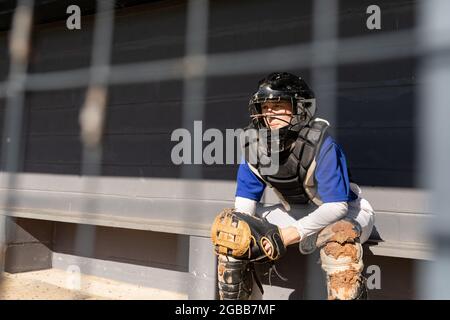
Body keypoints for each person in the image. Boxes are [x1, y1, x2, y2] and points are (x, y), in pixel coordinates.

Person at [215, 72, 375, 300]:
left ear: (301, 107)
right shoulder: (255, 146)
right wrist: (245, 234)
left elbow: (336, 207)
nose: (269, 113)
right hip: (296, 212)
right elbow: (245, 205)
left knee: (341, 238)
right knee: (232, 231)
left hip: (348, 212)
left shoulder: (321, 144)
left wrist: (287, 235)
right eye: (265, 107)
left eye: (278, 105)